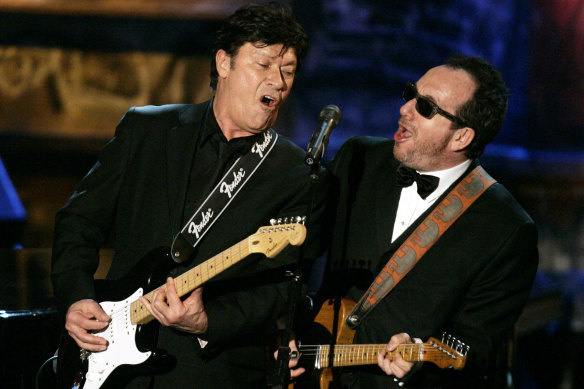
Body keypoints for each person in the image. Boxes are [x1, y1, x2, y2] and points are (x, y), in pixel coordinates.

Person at [51, 3, 328, 388]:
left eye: (288, 71)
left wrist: (207, 321)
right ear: (224, 63)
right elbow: (78, 221)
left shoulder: (299, 174)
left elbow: (284, 291)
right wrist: (76, 297)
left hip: (210, 373)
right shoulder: (146, 130)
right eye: (263, 65)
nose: (278, 81)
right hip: (110, 363)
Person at [311, 55, 539, 388]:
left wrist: (417, 354)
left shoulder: (507, 229)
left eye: (426, 107)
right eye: (411, 95)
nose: (405, 109)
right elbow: (300, 249)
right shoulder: (357, 158)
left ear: (461, 138)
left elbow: (476, 345)